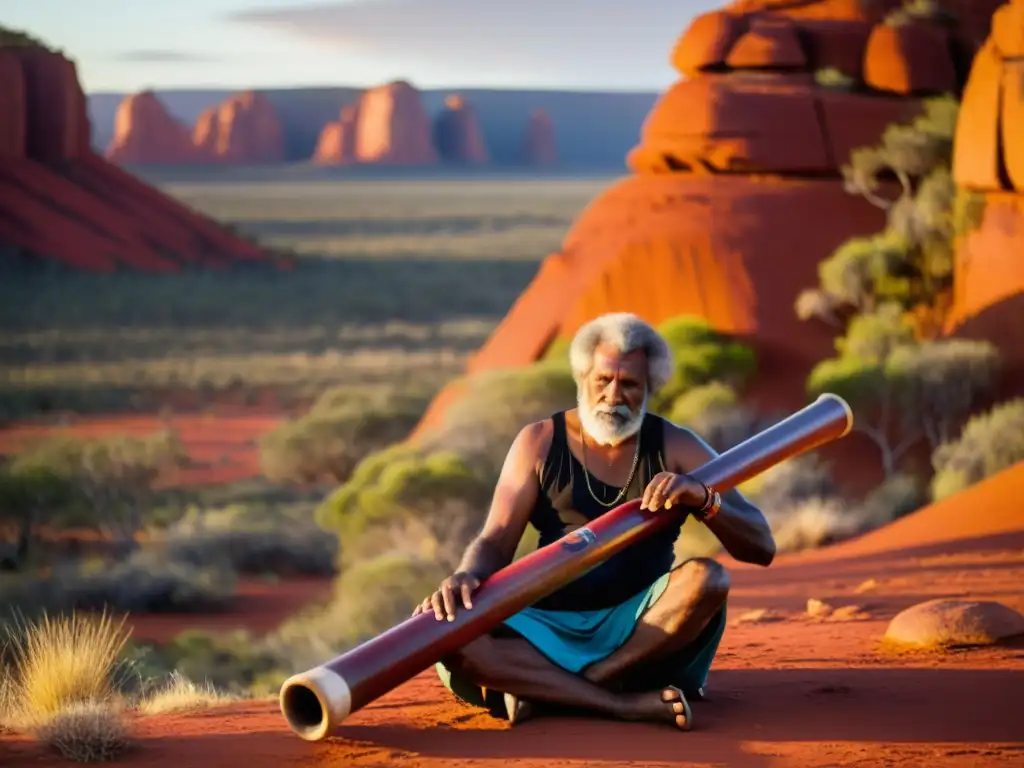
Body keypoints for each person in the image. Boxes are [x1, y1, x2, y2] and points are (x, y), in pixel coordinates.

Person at [413, 312, 776, 731]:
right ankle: (619, 704)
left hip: (642, 628)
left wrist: (705, 499)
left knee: (709, 580)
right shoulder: (539, 441)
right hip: (545, 626)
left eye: (630, 385)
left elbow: (761, 545)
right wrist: (466, 574)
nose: (613, 395)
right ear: (582, 378)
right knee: (452, 634)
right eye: (603, 380)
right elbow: (495, 541)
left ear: (650, 389)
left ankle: (561, 691)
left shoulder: (676, 445)